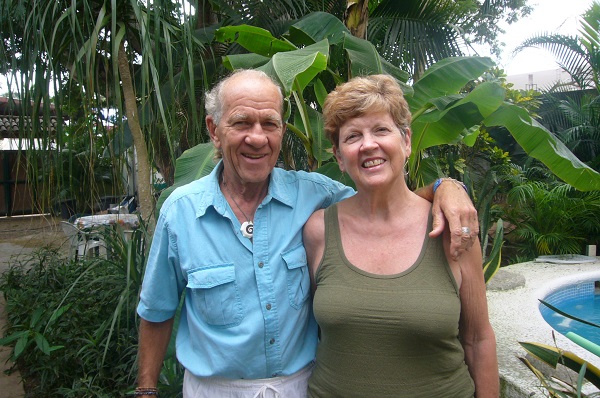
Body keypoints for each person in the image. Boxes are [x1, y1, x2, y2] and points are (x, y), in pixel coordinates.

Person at [135, 69, 479, 398]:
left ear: (281, 130)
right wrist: (147, 389)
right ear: (214, 130)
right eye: (241, 123)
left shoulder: (314, 195)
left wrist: (446, 187)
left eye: (269, 123)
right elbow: (157, 311)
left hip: (299, 387)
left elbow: (385, 202)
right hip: (214, 389)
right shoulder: (181, 212)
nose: (257, 137)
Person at [303, 74, 498, 397]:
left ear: (406, 141)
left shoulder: (454, 228)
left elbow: (478, 339)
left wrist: (447, 185)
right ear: (338, 157)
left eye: (381, 129)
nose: (368, 144)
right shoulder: (318, 231)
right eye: (352, 136)